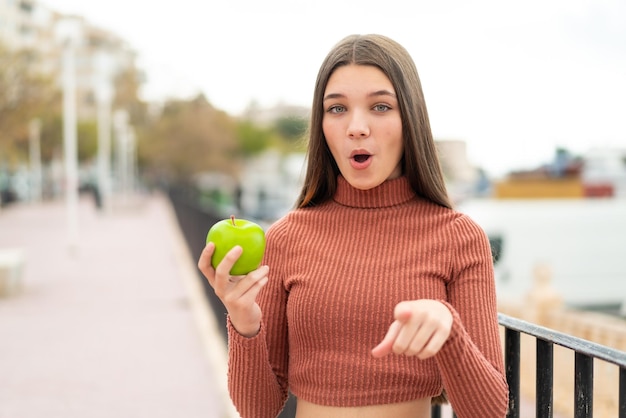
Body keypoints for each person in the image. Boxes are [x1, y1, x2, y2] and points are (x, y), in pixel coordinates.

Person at [198, 34, 509, 418]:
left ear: (409, 118)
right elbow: (257, 410)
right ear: (322, 125)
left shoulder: (459, 238)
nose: (356, 127)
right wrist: (244, 322)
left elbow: (491, 412)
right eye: (337, 109)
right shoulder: (284, 238)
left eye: (380, 106)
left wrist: (449, 331)